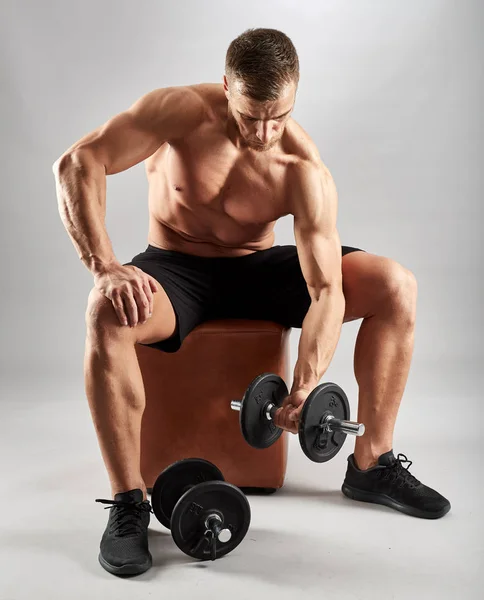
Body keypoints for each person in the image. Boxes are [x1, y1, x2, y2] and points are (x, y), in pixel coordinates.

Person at [53, 28, 450, 577]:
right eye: (249, 116)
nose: (263, 132)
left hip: (258, 268)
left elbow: (327, 290)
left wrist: (308, 384)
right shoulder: (180, 111)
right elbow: (78, 162)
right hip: (176, 267)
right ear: (226, 88)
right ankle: (129, 503)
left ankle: (371, 462)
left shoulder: (302, 168)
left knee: (395, 284)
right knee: (105, 313)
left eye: (278, 117)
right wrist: (105, 267)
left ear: (295, 97)